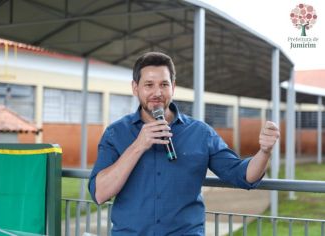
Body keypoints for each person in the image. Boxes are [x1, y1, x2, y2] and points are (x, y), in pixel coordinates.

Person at [89, 51, 280, 236]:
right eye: (149, 84)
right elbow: (100, 193)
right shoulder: (116, 133)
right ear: (135, 87)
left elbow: (243, 176)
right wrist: (138, 145)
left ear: (173, 86)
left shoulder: (200, 133)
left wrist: (264, 151)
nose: (157, 92)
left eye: (164, 84)